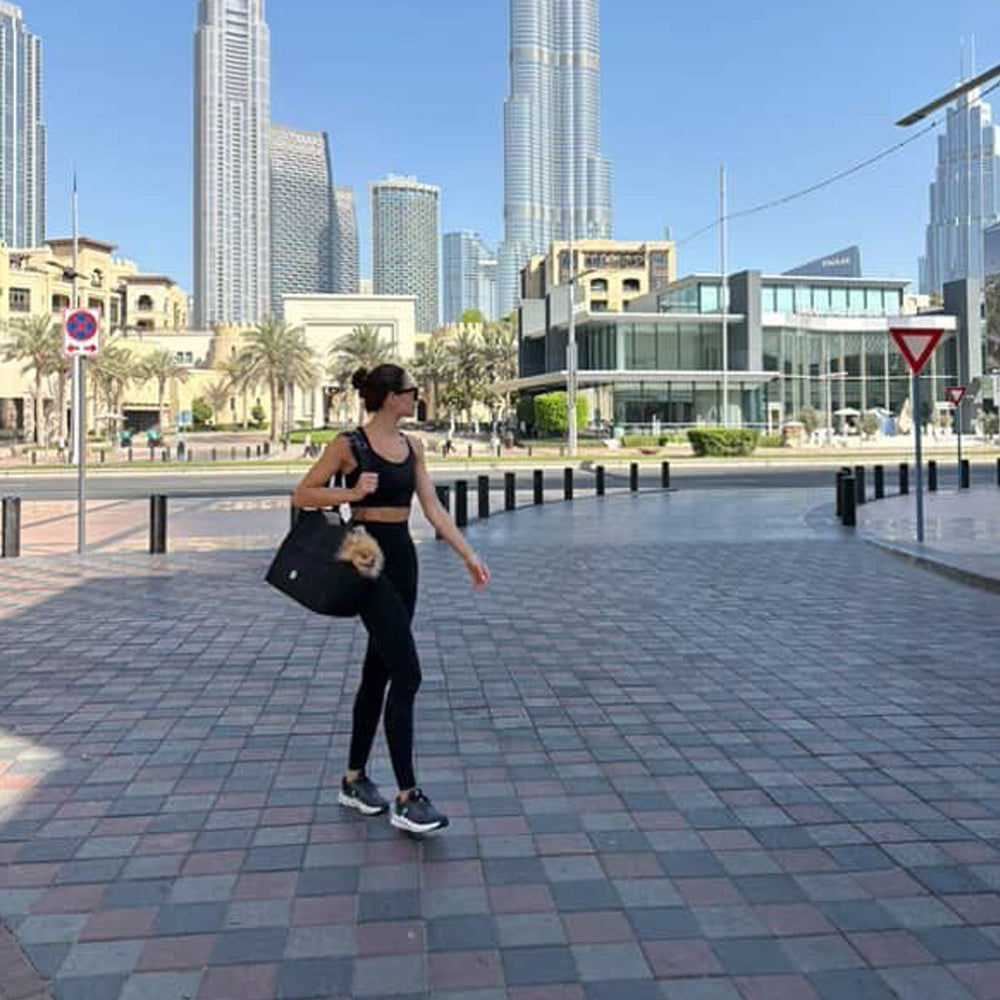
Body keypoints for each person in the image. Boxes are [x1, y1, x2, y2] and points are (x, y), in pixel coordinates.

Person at [292, 364, 490, 834]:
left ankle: (354, 779)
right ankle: (407, 796)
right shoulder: (349, 445)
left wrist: (468, 554)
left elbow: (433, 508)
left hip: (403, 559)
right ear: (388, 398)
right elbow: (302, 494)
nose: (415, 397)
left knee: (377, 670)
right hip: (365, 558)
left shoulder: (412, 446)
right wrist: (351, 489)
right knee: (408, 671)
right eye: (409, 392)